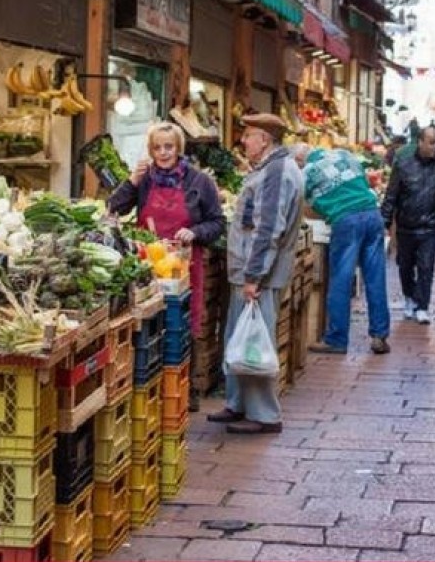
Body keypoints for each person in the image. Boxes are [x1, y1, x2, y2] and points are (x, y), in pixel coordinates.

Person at [207, 112, 304, 435]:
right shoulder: (269, 169)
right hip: (250, 273)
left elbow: (267, 229)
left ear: (264, 139)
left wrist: (254, 276)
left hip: (259, 276)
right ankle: (238, 403)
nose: (243, 141)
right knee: (241, 336)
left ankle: (264, 414)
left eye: (248, 135)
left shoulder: (276, 172)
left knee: (253, 344)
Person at [107, 121, 226, 341]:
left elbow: (218, 222)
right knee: (148, 331)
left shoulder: (200, 181)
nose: (163, 153)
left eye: (169, 147)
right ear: (151, 150)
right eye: (157, 147)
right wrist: (132, 181)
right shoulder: (144, 180)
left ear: (178, 148)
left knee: (179, 334)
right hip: (146, 269)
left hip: (184, 269)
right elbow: (113, 208)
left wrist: (196, 232)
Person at [301, 146, 391, 355]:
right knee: (375, 278)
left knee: (341, 278)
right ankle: (380, 335)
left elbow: (301, 204)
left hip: (347, 221)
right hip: (372, 214)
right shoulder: (346, 156)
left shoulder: (308, 171)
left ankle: (337, 339)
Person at [381, 126, 435, 324]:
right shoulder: (402, 165)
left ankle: (422, 306)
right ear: (420, 142)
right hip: (406, 225)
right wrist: (385, 221)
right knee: (404, 266)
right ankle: (409, 297)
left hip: (431, 226)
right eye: (431, 142)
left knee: (426, 267)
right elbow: (391, 195)